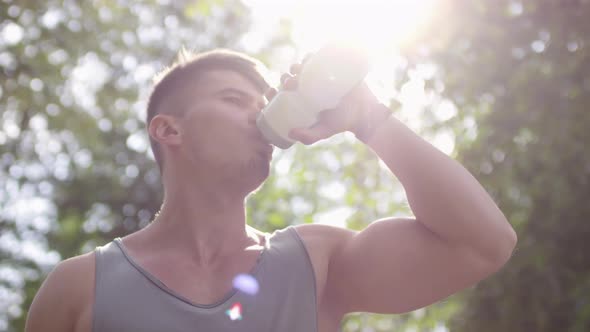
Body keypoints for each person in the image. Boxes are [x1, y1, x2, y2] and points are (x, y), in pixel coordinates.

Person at [25, 48, 517, 332]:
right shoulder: (79, 289)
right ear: (169, 131)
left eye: (264, 103)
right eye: (235, 99)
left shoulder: (316, 265)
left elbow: (482, 243)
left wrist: (370, 120)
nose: (259, 115)